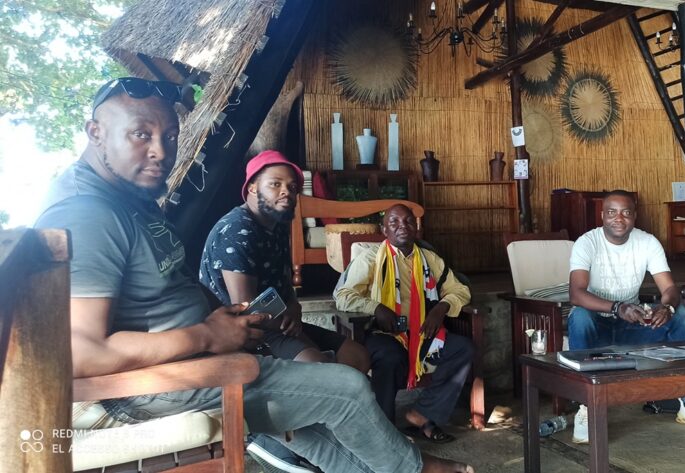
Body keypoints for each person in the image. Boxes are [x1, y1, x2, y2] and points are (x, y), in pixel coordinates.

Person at [35, 77, 472, 473]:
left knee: (315, 412)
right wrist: (209, 336)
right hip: (153, 385)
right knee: (346, 388)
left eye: (169, 136)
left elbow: (183, 287)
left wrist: (232, 322)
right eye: (140, 134)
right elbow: (81, 353)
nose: (162, 152)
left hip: (200, 356)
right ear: (95, 132)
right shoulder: (87, 214)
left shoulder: (131, 199)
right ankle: (417, 470)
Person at [198, 150, 372, 470]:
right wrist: (287, 319)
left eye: (292, 187)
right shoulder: (238, 229)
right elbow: (246, 310)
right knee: (324, 374)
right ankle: (274, 440)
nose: (286, 192)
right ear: (252, 187)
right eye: (275, 184)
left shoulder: (276, 225)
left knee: (356, 356)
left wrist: (293, 307)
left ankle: (338, 439)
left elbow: (284, 286)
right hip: (244, 334)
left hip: (277, 321)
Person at [567, 190, 685, 443]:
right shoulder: (587, 242)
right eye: (612, 212)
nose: (619, 218)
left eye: (625, 212)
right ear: (602, 216)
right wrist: (617, 307)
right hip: (598, 326)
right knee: (580, 316)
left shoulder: (647, 242)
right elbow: (576, 294)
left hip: (633, 325)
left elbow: (669, 289)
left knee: (681, 315)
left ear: (634, 216)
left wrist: (666, 308)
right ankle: (587, 408)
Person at [335, 204, 474, 444]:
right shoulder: (370, 258)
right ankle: (383, 433)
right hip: (384, 333)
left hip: (423, 332)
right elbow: (344, 296)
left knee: (463, 348)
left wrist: (441, 308)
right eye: (394, 222)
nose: (403, 226)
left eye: (408, 221)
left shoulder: (429, 259)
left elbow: (460, 290)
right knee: (390, 357)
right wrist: (376, 308)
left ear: (416, 227)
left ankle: (423, 414)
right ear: (384, 230)